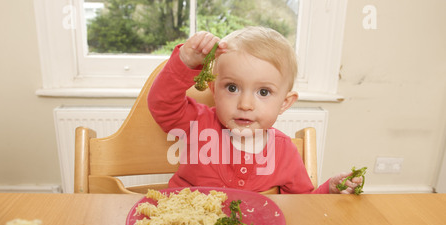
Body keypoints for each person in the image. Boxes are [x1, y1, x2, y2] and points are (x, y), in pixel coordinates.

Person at [148, 26, 362, 194]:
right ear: (214, 89)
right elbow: (162, 103)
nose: (245, 104)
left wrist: (329, 190)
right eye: (232, 88)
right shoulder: (198, 123)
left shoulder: (285, 153)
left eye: (263, 92)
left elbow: (302, 205)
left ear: (284, 103)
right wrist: (185, 62)